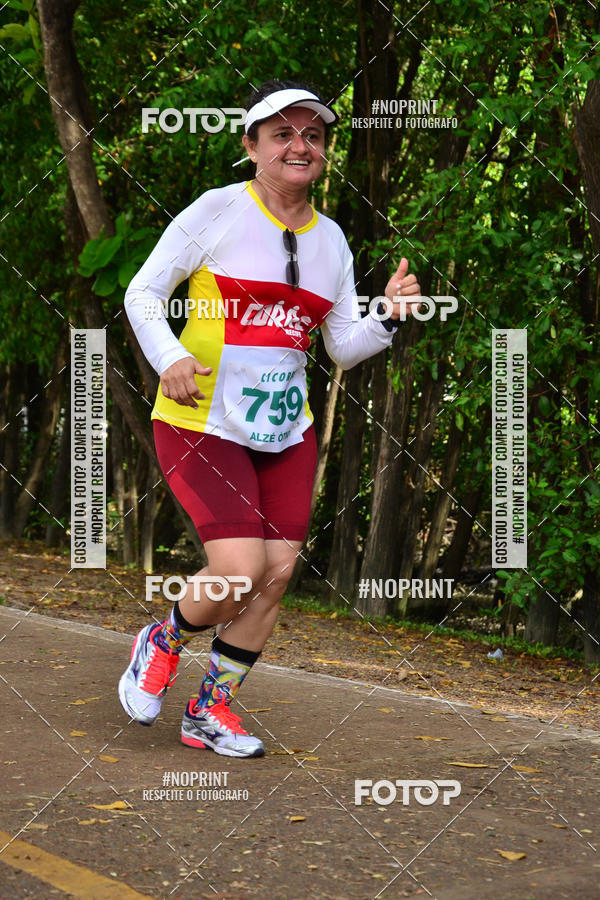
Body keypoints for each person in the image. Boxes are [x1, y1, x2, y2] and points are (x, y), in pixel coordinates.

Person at [118, 79, 421, 758]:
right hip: (202, 420)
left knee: (278, 572)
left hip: (286, 431)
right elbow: (143, 291)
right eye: (282, 132)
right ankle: (160, 643)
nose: (300, 145)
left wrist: (387, 317)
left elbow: (342, 347)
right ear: (251, 145)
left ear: (324, 153)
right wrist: (168, 355)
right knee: (238, 567)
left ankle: (210, 709)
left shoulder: (333, 242)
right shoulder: (216, 211)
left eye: (312, 135)